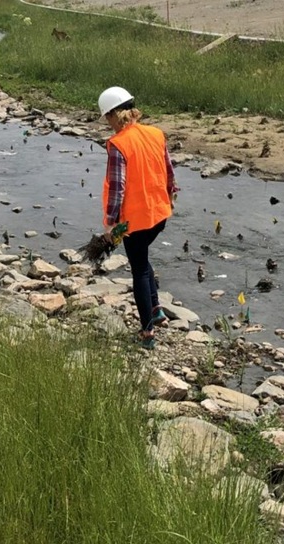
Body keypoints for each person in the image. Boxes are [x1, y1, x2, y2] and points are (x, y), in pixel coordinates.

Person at [98, 86, 178, 350]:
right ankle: (156, 309)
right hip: (160, 213)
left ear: (112, 115)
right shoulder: (155, 133)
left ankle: (147, 333)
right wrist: (171, 198)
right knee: (142, 258)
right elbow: (169, 171)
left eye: (106, 118)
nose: (107, 124)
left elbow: (117, 187)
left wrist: (110, 224)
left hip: (135, 220)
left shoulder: (118, 144)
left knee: (139, 269)